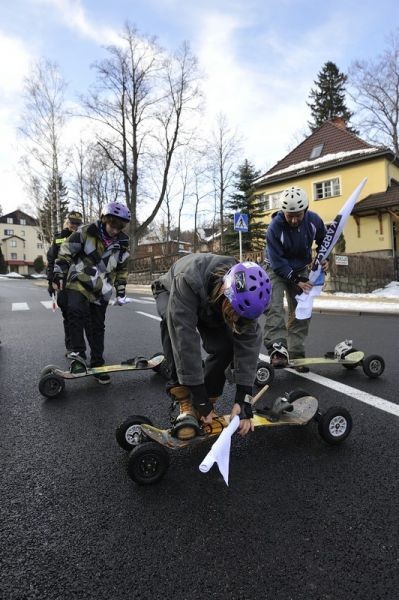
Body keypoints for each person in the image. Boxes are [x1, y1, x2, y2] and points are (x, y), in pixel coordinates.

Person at [152, 254, 272, 440]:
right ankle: (185, 401)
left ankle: (209, 398)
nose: (238, 321)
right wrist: (197, 398)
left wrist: (243, 399)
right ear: (225, 293)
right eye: (235, 314)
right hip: (172, 291)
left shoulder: (246, 292)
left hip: (212, 304)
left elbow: (248, 344)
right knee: (171, 326)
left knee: (226, 346)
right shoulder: (188, 279)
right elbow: (184, 340)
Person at [52, 202, 130, 384]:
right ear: (104, 220)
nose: (115, 230)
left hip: (102, 289)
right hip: (78, 282)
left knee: (97, 326)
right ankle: (78, 354)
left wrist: (120, 290)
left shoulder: (123, 243)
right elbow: (65, 251)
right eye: (112, 225)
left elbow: (122, 268)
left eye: (119, 227)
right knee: (75, 310)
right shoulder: (86, 232)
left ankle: (98, 364)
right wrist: (58, 273)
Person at [263, 186, 328, 371]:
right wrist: (295, 279)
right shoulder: (274, 227)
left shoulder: (314, 221)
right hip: (276, 269)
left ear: (305, 211)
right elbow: (277, 262)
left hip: (300, 268)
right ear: (283, 211)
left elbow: (325, 241)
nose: (293, 219)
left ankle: (296, 354)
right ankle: (277, 350)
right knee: (274, 307)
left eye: (297, 215)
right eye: (289, 215)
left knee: (302, 310)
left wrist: (324, 260)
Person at [47, 210, 85, 354]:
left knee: (84, 316)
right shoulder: (58, 238)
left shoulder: (84, 237)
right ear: (67, 222)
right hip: (62, 281)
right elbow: (51, 261)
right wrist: (51, 282)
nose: (74, 225)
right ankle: (71, 347)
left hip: (81, 282)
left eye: (77, 223)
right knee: (68, 315)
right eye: (71, 222)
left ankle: (88, 349)